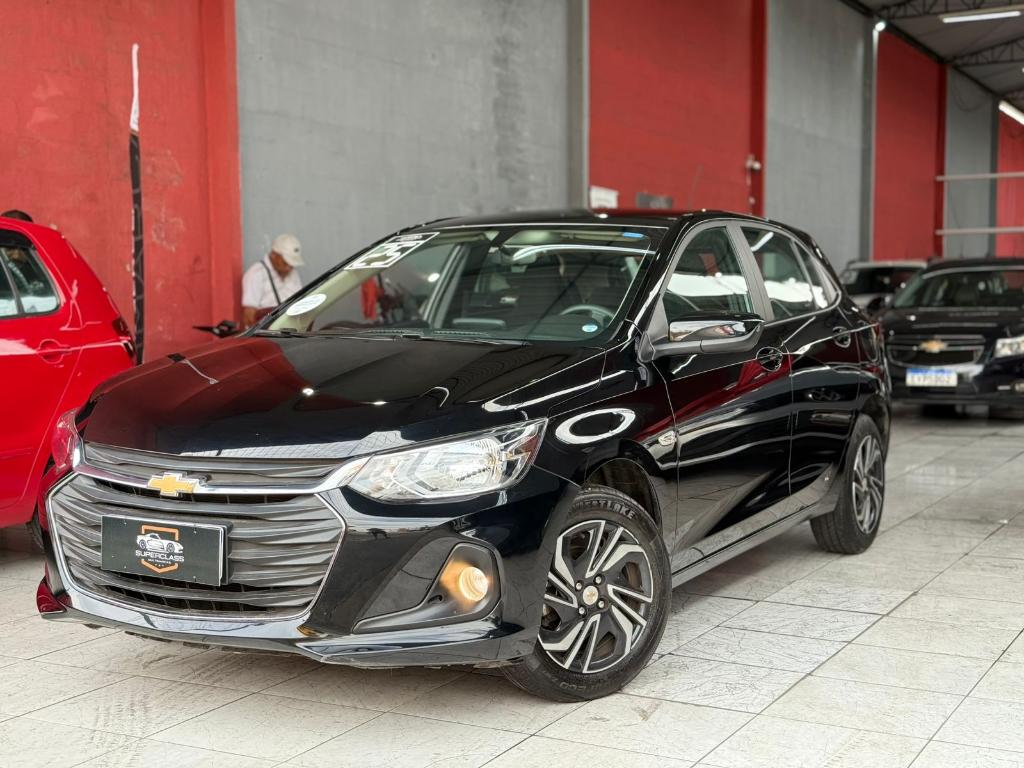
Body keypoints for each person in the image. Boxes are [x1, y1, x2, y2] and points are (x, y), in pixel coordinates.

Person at [241, 233, 304, 327]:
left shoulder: (293, 273)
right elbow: (249, 316)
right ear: (274, 255)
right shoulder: (256, 273)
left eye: (292, 265)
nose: (289, 268)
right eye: (286, 263)